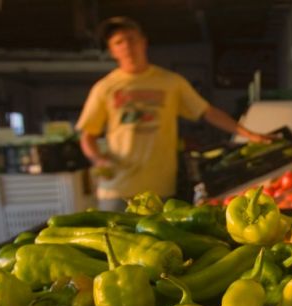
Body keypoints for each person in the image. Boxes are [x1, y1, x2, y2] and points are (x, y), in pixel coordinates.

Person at [76, 16, 272, 211]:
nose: (127, 45)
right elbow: (87, 135)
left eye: (131, 38)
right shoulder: (104, 88)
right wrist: (98, 159)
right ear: (112, 51)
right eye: (119, 42)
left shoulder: (171, 82)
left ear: (144, 42)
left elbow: (207, 111)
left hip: (160, 188)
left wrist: (248, 134)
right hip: (117, 189)